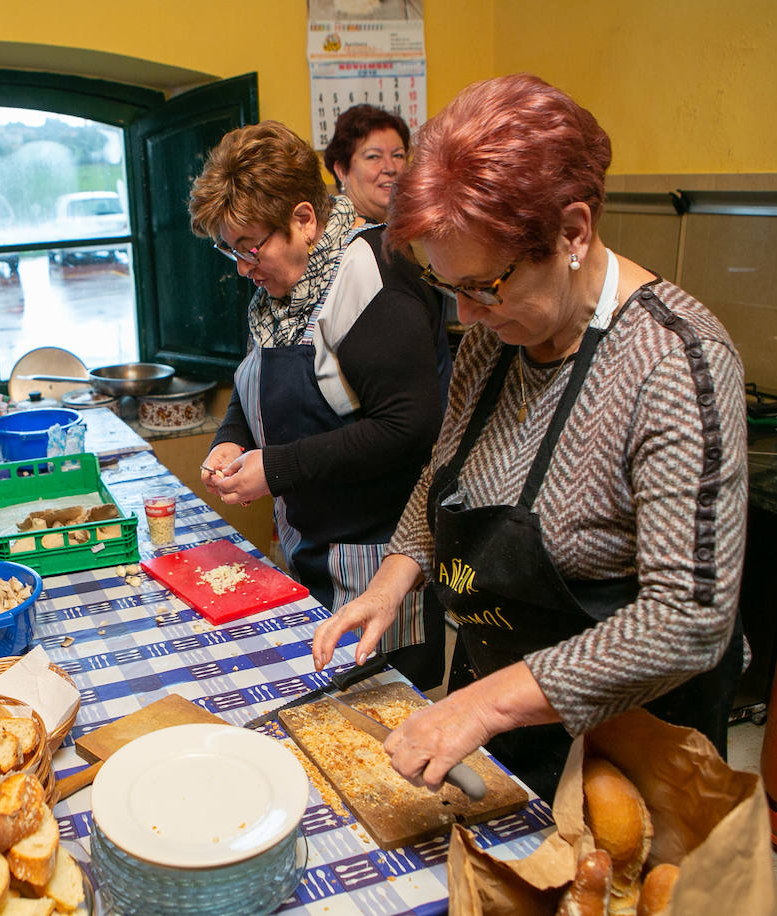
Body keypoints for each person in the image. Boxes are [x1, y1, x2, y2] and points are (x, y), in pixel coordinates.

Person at [311, 74, 747, 802]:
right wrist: (397, 574)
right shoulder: (498, 338)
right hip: (504, 702)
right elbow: (447, 472)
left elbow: (689, 617)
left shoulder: (675, 363)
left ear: (573, 232)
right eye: (450, 287)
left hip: (631, 742)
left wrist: (482, 705)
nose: (466, 314)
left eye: (484, 285)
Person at [189, 120, 451, 688]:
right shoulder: (279, 289)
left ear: (305, 220)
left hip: (379, 561)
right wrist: (231, 438)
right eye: (229, 249)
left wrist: (277, 467)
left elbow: (411, 426)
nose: (241, 266)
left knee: (376, 736)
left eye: (250, 246)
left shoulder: (372, 277)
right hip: (308, 547)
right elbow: (254, 384)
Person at [322, 104, 410, 225]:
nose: (390, 168)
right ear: (342, 170)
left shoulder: (382, 232)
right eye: (373, 156)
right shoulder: (345, 237)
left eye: (398, 155)